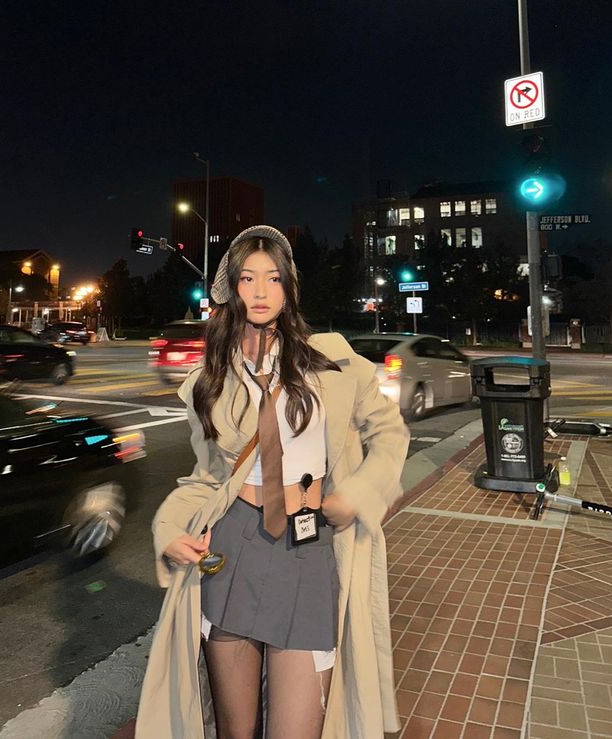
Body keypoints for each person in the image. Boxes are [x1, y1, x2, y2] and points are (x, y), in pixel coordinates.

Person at [135, 225, 409, 739]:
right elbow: (205, 479)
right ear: (230, 290)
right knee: (235, 732)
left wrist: (359, 492)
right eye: (247, 278)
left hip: (309, 545)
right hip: (232, 549)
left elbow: (390, 432)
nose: (260, 292)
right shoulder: (208, 381)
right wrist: (170, 527)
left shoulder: (334, 360)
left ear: (289, 288)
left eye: (274, 279)